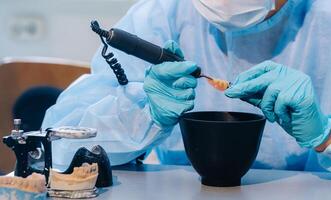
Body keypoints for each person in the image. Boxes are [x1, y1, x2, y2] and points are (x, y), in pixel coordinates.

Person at [42, 0, 331, 171]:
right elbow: (56, 145)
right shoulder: (162, 15)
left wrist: (326, 139)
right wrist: (142, 115)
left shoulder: (323, 20)